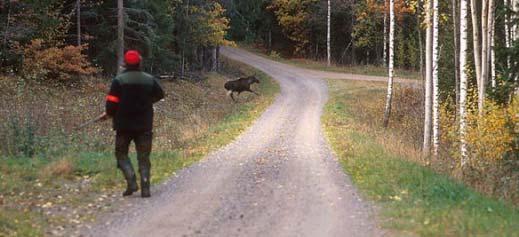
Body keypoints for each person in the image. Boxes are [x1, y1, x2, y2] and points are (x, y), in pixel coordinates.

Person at [105, 50, 165, 198]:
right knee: (144, 157)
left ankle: (131, 181)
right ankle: (146, 188)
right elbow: (160, 94)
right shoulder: (149, 79)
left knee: (121, 154)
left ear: (125, 63)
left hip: (123, 126)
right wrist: (147, 101)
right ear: (140, 62)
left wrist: (110, 113)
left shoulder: (119, 80)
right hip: (144, 125)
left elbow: (111, 102)